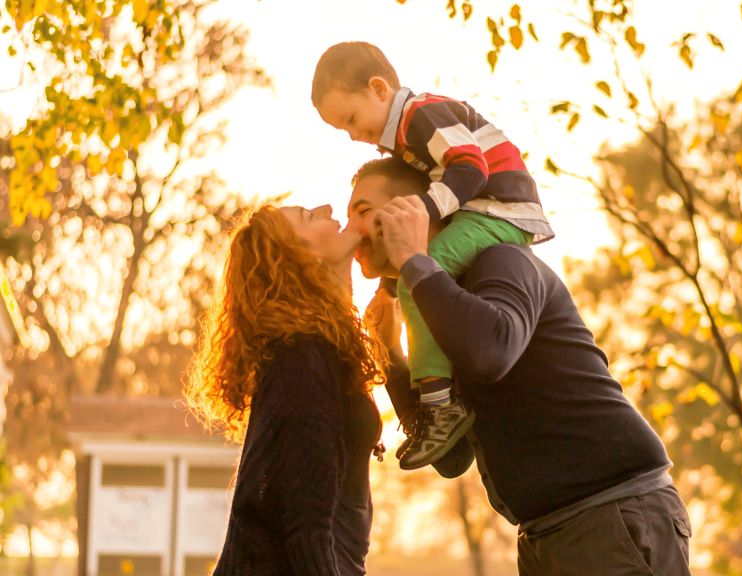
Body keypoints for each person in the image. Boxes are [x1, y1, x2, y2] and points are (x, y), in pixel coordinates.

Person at [349, 158, 693, 575]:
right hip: (544, 532)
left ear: (417, 208)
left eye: (363, 212)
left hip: (612, 512)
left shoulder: (501, 260)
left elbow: (492, 351)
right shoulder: (434, 305)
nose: (352, 230)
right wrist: (391, 354)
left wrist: (414, 263)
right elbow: (451, 456)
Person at [311, 41, 555, 470]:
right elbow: (452, 462)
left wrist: (421, 212)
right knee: (415, 281)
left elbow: (470, 167)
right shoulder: (404, 133)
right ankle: (439, 409)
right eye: (341, 130)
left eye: (351, 119)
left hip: (500, 205)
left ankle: (443, 408)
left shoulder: (420, 114)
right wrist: (387, 332)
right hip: (540, 519)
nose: (352, 135)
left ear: (379, 88)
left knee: (419, 276)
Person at [186, 204, 385, 575]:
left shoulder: (325, 349)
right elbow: (305, 530)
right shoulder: (301, 362)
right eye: (309, 217)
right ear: (300, 257)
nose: (327, 208)